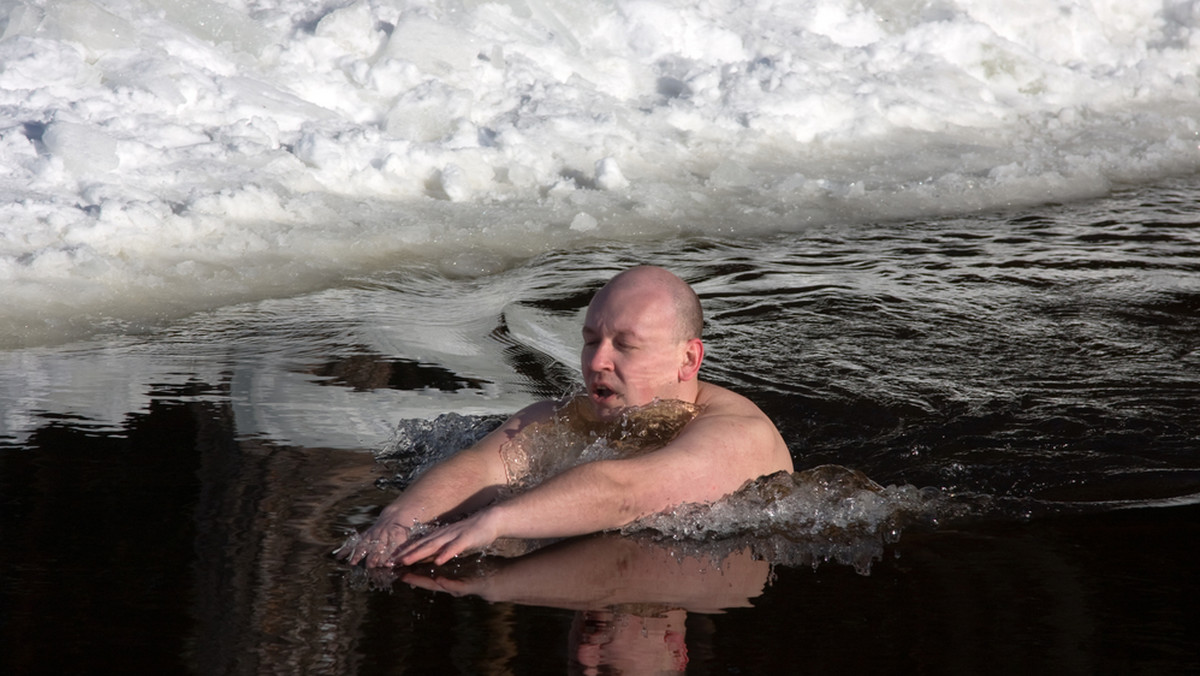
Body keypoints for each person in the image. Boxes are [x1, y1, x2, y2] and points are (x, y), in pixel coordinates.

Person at [340, 265, 793, 568]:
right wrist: (398, 519)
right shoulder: (567, 417)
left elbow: (625, 493)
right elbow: (482, 466)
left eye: (625, 346)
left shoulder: (738, 436)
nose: (596, 362)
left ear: (688, 360)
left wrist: (494, 523)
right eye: (591, 340)